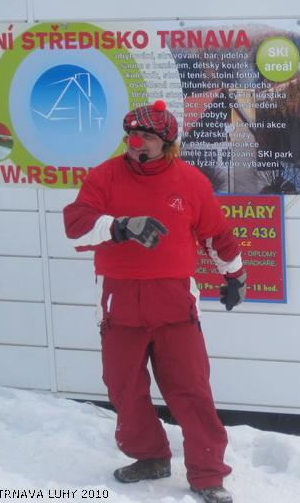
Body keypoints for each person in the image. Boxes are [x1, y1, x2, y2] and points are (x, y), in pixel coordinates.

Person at [63, 100, 246, 503]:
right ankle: (150, 457)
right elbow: (76, 228)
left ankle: (208, 474)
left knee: (191, 390)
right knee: (123, 389)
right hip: (120, 303)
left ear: (167, 143)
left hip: (174, 304)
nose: (136, 143)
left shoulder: (191, 182)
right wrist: (120, 227)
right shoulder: (104, 176)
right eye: (132, 134)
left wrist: (234, 275)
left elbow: (216, 233)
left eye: (146, 136)